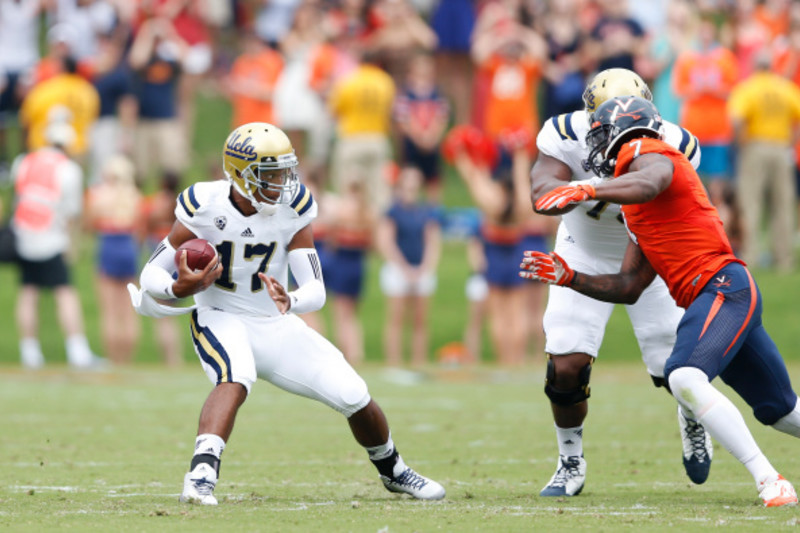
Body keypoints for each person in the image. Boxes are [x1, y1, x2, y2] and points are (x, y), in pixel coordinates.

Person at [127, 122, 445, 505]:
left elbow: (316, 289)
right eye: (270, 173)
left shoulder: (292, 207)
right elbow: (151, 272)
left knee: (352, 392)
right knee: (235, 375)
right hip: (219, 314)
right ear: (241, 173)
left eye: (283, 171)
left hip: (274, 322)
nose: (281, 182)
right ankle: (200, 476)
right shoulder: (204, 204)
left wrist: (290, 300)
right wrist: (177, 288)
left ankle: (393, 470)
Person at [523, 95, 800, 508]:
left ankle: (769, 479)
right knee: (781, 412)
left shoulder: (647, 150)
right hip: (721, 292)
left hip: (722, 287)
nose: (595, 145)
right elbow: (630, 286)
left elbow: (651, 179)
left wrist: (586, 186)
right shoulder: (635, 211)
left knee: (684, 375)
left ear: (620, 131)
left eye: (601, 134)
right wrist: (571, 276)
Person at [528, 68, 711, 497]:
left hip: (650, 245)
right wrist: (554, 193)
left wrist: (588, 189)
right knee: (566, 365)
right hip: (582, 245)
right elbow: (541, 187)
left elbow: (632, 274)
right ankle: (570, 461)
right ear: (589, 119)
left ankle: (691, 417)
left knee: (678, 370)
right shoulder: (563, 131)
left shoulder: (677, 142)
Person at [11, 120, 101, 369]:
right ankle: (77, 350)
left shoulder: (24, 161)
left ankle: (29, 352)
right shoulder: (69, 169)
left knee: (28, 292)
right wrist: (72, 243)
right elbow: (71, 212)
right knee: (65, 293)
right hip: (50, 236)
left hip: (23, 234)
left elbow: (19, 196)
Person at [728, 50, 800, 272]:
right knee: (783, 204)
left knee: (751, 203)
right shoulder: (785, 87)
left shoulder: (747, 88)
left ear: (754, 66)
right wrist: (790, 141)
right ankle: (784, 259)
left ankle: (751, 256)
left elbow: (737, 119)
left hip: (755, 146)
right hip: (780, 147)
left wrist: (740, 143)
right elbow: (797, 117)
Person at [376, 165, 442, 367]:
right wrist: (404, 268)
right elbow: (386, 242)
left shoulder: (425, 211)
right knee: (396, 317)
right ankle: (394, 362)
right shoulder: (393, 211)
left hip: (421, 269)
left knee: (420, 319)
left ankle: (418, 361)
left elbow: (432, 241)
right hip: (399, 269)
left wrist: (424, 268)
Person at [85, 154, 143, 365]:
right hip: (128, 244)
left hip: (109, 242)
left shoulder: (99, 195)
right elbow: (141, 227)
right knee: (128, 310)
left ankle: (113, 359)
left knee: (109, 311)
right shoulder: (134, 195)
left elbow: (89, 224)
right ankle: (127, 360)